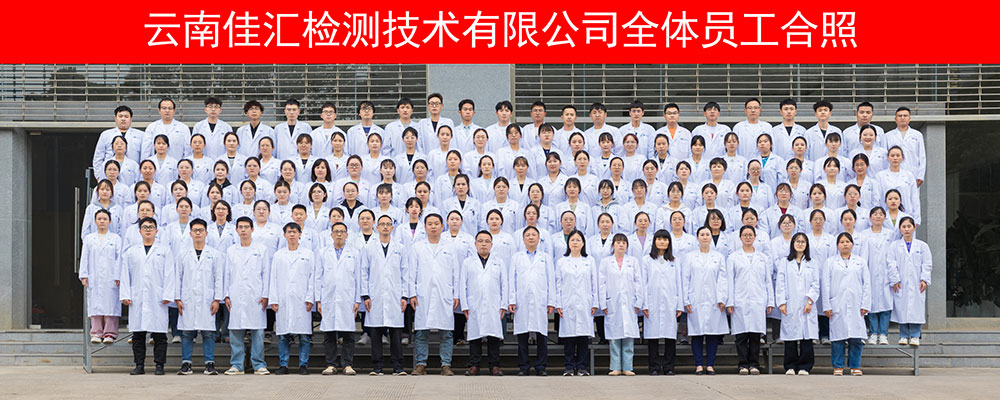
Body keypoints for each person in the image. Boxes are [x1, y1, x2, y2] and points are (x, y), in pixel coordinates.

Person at [119, 217, 176, 376]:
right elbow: (125, 274)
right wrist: (125, 294)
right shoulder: (131, 252)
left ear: (156, 231)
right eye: (145, 227)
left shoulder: (164, 251)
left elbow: (169, 273)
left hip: (158, 297)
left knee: (159, 335)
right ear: (140, 231)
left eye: (151, 227)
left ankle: (159, 365)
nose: (148, 230)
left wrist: (168, 294)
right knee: (138, 335)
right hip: (137, 296)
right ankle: (139, 365)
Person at [409, 214, 461, 376]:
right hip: (423, 294)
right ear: (425, 227)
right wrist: (412, 294)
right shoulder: (417, 247)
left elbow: (456, 273)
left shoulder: (450, 247)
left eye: (436, 223)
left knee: (446, 332)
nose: (433, 226)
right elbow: (412, 272)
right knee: (421, 332)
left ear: (442, 226)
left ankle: (446, 365)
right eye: (430, 224)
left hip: (444, 293)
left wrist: (456, 294)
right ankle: (420, 364)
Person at [175, 218, 224, 375]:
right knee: (187, 333)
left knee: (208, 333)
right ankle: (186, 363)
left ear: (206, 233)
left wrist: (217, 299)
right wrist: (177, 298)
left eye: (200, 230)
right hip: (187, 298)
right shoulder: (182, 254)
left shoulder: (214, 254)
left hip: (207, 299)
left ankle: (209, 364)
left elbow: (218, 278)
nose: (198, 233)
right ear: (190, 233)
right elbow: (178, 277)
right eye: (195, 230)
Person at [362, 215, 410, 376]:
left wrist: (404, 296)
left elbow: (405, 273)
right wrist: (365, 295)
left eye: (388, 224)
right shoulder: (369, 248)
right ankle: (377, 366)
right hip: (375, 295)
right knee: (376, 333)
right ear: (377, 227)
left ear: (392, 227)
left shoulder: (400, 248)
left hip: (395, 295)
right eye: (382, 224)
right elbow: (364, 272)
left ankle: (398, 366)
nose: (385, 227)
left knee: (395, 333)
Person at [223, 217, 272, 375]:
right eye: (240, 227)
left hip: (256, 296)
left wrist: (265, 295)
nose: (243, 230)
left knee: (258, 332)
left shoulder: (261, 249)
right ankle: (237, 364)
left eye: (246, 227)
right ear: (236, 230)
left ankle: (259, 364)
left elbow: (266, 273)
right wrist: (226, 295)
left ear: (252, 229)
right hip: (236, 295)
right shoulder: (231, 251)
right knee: (235, 331)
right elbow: (227, 274)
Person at [268, 223, 317, 375]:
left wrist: (310, 297)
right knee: (283, 336)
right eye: (289, 232)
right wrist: (274, 299)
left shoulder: (308, 254)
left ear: (300, 234)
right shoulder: (278, 255)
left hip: (302, 299)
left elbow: (312, 277)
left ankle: (303, 364)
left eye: (294, 232)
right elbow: (273, 278)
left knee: (304, 336)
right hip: (283, 299)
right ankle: (284, 365)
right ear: (284, 235)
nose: (291, 235)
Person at [727, 226, 774, 375]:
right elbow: (730, 281)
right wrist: (730, 301)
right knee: (741, 336)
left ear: (755, 237)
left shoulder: (763, 258)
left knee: (755, 335)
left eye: (750, 235)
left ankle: (754, 364)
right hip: (739, 299)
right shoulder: (733, 257)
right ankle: (742, 365)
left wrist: (770, 301)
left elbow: (767, 281)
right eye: (745, 235)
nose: (748, 237)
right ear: (740, 237)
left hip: (758, 299)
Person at [460, 231, 509, 376]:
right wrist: (465, 305)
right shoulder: (468, 262)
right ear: (475, 244)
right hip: (474, 303)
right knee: (475, 335)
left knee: (493, 336)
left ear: (491, 244)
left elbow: (504, 284)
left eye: (487, 241)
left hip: (494, 303)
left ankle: (494, 366)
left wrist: (503, 304)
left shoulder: (499, 262)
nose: (483, 244)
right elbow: (462, 285)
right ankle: (474, 365)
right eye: (480, 241)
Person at [509, 226, 555, 376]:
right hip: (521, 300)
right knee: (522, 336)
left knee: (542, 336)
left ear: (538, 239)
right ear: (523, 239)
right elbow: (512, 280)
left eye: (533, 235)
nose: (530, 237)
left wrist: (551, 301)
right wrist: (512, 300)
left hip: (540, 299)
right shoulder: (516, 257)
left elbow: (551, 280)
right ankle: (524, 367)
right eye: (527, 235)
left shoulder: (546, 258)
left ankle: (541, 367)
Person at [316, 222, 361, 376]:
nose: (339, 234)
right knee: (329, 333)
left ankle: (347, 364)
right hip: (328, 297)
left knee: (348, 333)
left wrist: (357, 300)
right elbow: (318, 277)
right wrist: (318, 300)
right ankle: (331, 364)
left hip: (348, 297)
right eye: (336, 231)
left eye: (342, 231)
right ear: (331, 235)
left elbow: (358, 277)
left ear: (347, 235)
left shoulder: (354, 253)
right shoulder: (323, 252)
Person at [823, 232, 871, 376]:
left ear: (852, 244)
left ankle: (855, 366)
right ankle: (838, 366)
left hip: (856, 303)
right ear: (837, 245)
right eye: (842, 242)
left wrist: (865, 304)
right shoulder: (830, 262)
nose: (845, 244)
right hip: (837, 302)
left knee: (856, 337)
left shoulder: (860, 262)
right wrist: (827, 305)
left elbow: (866, 284)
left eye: (847, 242)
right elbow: (825, 284)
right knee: (838, 337)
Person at [683, 226, 728, 375]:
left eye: (707, 234)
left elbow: (723, 279)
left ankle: (710, 364)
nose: (705, 237)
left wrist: (722, 298)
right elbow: (685, 279)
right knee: (696, 333)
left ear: (710, 237)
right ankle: (698, 365)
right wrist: (686, 299)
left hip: (714, 299)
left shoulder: (718, 257)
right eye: (702, 234)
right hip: (695, 298)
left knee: (712, 334)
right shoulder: (690, 257)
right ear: (697, 237)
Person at [775, 233, 820, 375]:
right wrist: (782, 302)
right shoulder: (785, 262)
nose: (800, 244)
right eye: (797, 241)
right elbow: (780, 283)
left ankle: (805, 366)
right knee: (790, 336)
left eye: (803, 242)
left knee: (807, 336)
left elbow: (816, 284)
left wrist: (810, 301)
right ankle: (790, 366)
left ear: (807, 245)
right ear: (792, 243)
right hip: (790, 303)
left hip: (807, 304)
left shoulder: (812, 263)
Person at [555, 230, 598, 376]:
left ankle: (582, 367)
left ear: (583, 243)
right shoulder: (561, 261)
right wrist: (558, 304)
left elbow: (594, 282)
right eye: (572, 240)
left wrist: (595, 303)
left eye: (578, 240)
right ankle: (569, 367)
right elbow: (558, 284)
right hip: (567, 302)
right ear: (568, 243)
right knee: (569, 338)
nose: (575, 242)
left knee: (583, 337)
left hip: (585, 302)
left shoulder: (589, 261)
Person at [600, 234, 643, 376]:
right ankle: (615, 367)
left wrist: (638, 301)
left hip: (630, 302)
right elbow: (602, 283)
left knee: (628, 337)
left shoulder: (633, 261)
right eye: (618, 242)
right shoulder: (606, 262)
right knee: (614, 338)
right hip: (612, 302)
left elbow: (638, 282)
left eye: (624, 243)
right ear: (613, 245)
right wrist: (603, 302)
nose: (621, 245)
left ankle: (628, 367)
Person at [641, 230, 683, 375]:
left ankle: (669, 367)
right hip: (652, 301)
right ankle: (654, 367)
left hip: (670, 301)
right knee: (653, 337)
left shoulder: (674, 261)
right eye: (659, 239)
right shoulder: (646, 260)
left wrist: (679, 304)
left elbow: (679, 283)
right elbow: (643, 283)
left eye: (665, 239)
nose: (662, 242)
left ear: (669, 242)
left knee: (670, 336)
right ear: (654, 242)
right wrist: (644, 304)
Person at [79, 209, 123, 344]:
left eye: (105, 219)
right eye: (99, 219)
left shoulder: (116, 238)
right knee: (96, 305)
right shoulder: (89, 238)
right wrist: (84, 275)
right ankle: (96, 333)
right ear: (95, 221)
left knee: (111, 304)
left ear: (109, 221)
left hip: (111, 277)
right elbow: (84, 257)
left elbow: (119, 259)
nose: (102, 221)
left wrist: (118, 276)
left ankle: (110, 333)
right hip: (94, 276)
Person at [888, 217, 933, 346]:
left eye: (909, 226)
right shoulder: (894, 246)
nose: (906, 229)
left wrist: (924, 279)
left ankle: (915, 335)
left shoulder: (922, 246)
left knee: (916, 308)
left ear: (914, 227)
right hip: (901, 282)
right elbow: (891, 263)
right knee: (902, 308)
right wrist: (895, 279)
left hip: (917, 282)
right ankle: (903, 335)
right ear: (900, 229)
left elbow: (927, 263)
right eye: (904, 227)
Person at [860, 207, 894, 345]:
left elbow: (893, 255)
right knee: (871, 304)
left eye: (881, 214)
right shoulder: (864, 234)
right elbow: (863, 255)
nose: (878, 216)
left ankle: (884, 334)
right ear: (870, 218)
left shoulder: (890, 234)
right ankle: (873, 333)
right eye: (875, 214)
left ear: (885, 218)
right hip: (870, 272)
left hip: (886, 273)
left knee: (886, 304)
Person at [885, 107, 926, 187]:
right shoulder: (887, 136)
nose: (902, 118)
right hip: (892, 173)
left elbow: (922, 156)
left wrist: (920, 175)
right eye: (900, 116)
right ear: (895, 119)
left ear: (909, 118)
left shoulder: (917, 135)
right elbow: (885, 157)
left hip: (913, 173)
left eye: (905, 116)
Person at [94, 105, 145, 169]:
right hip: (110, 172)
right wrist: (99, 174)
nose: (123, 119)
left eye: (126, 117)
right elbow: (98, 158)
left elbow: (145, 156)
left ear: (131, 119)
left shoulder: (141, 135)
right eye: (120, 116)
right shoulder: (105, 135)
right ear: (115, 118)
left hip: (133, 171)